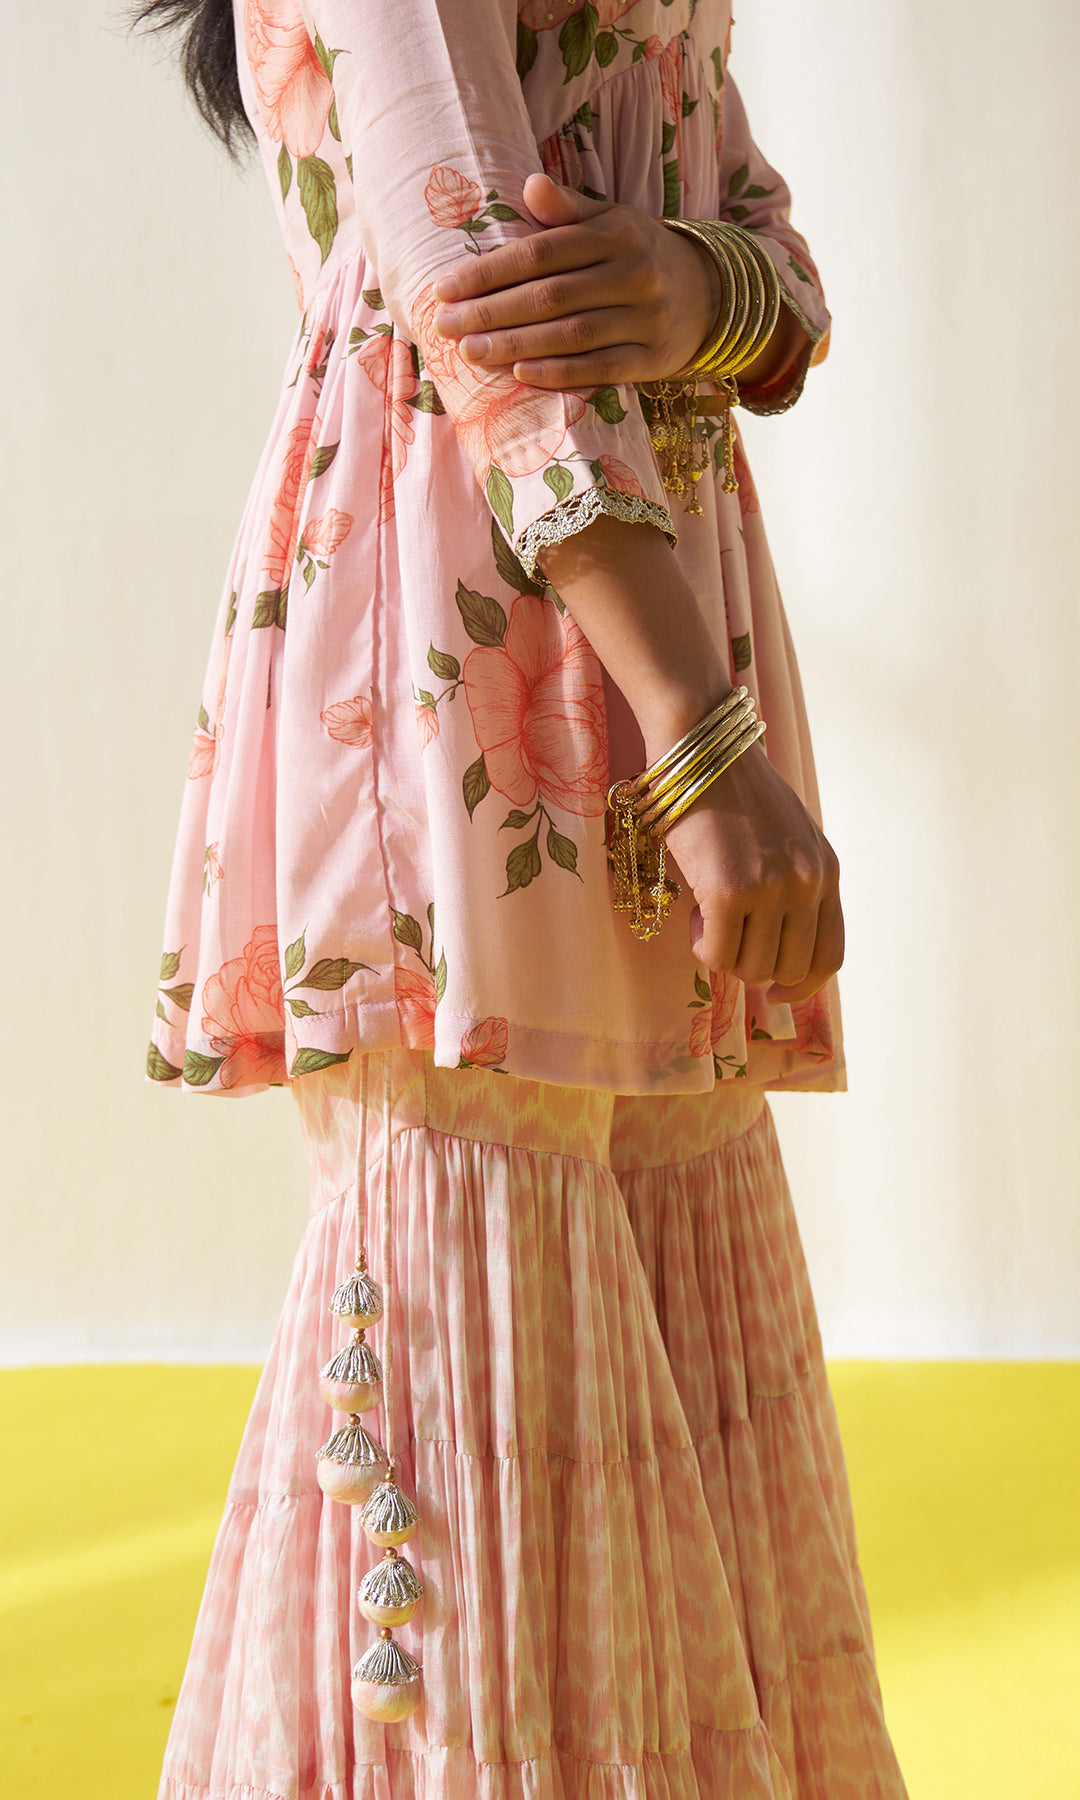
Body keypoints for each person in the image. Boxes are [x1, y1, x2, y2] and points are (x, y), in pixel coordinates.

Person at [136, 0, 908, 1794]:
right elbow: (479, 299)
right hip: (453, 648)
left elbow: (772, 264)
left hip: (646, 612)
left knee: (661, 1295)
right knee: (475, 1287)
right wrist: (701, 741)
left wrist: (690, 281)